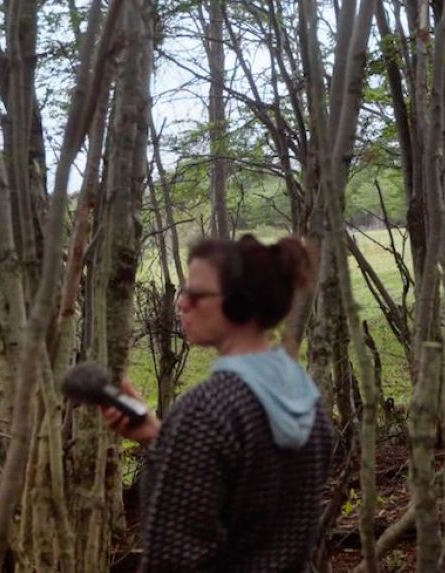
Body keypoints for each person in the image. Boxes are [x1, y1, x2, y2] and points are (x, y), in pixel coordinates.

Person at [103, 234, 333, 572]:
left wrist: (180, 439)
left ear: (239, 303)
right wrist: (162, 438)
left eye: (195, 296)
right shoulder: (306, 399)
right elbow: (251, 493)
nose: (181, 303)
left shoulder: (206, 410)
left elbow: (173, 559)